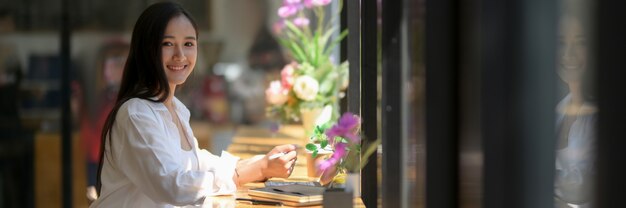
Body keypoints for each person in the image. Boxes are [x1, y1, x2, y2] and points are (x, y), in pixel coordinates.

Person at [90, 2, 297, 207]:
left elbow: (197, 161)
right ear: (146, 49)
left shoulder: (176, 108)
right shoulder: (136, 114)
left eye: (188, 44)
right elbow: (172, 186)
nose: (180, 55)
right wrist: (248, 172)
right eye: (167, 44)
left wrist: (258, 163)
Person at [554, 4, 595, 208]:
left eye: (579, 43)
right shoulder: (558, 111)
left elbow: (584, 190)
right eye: (561, 43)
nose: (568, 53)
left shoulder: (601, 114)